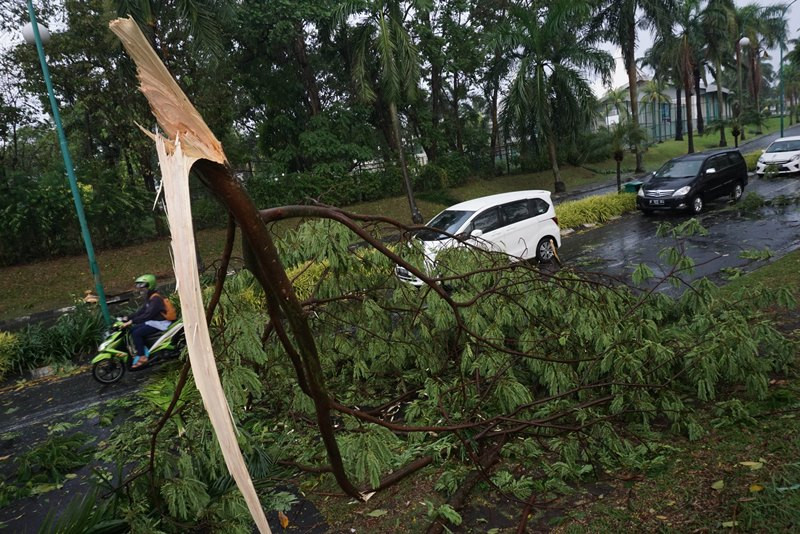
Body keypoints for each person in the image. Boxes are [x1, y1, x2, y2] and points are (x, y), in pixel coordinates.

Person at [123, 274, 172, 369]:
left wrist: (132, 321)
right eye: (139, 287)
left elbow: (147, 315)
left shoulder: (156, 299)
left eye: (143, 287)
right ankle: (143, 349)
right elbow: (141, 311)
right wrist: (127, 317)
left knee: (137, 333)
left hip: (161, 323)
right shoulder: (150, 298)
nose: (141, 290)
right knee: (132, 330)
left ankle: (142, 356)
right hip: (154, 322)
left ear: (150, 286)